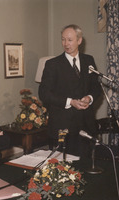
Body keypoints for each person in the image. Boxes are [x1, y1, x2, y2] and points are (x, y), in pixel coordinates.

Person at [38, 24, 102, 157]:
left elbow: (96, 87)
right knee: (65, 170)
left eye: (70, 39)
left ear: (79, 40)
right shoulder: (52, 64)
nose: (66, 43)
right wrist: (70, 102)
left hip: (86, 126)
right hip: (63, 127)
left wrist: (89, 97)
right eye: (63, 39)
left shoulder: (88, 60)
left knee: (87, 166)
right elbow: (44, 93)